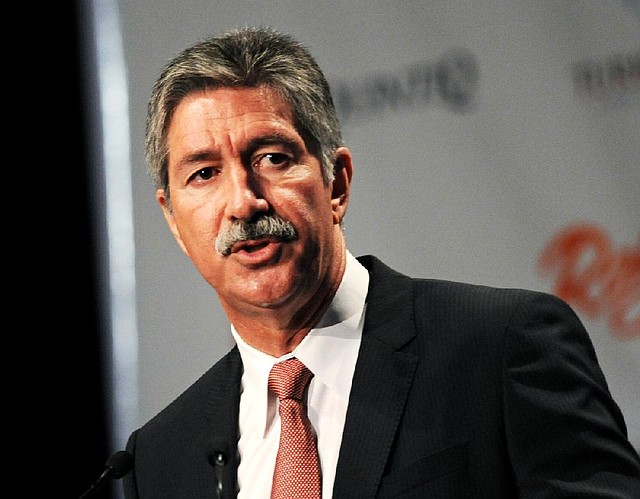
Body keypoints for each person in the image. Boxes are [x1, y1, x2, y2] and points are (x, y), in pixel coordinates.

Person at [122, 26, 640, 498]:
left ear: (337, 183)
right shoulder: (161, 456)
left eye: (272, 158)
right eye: (204, 174)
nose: (243, 202)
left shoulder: (501, 348)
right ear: (172, 218)